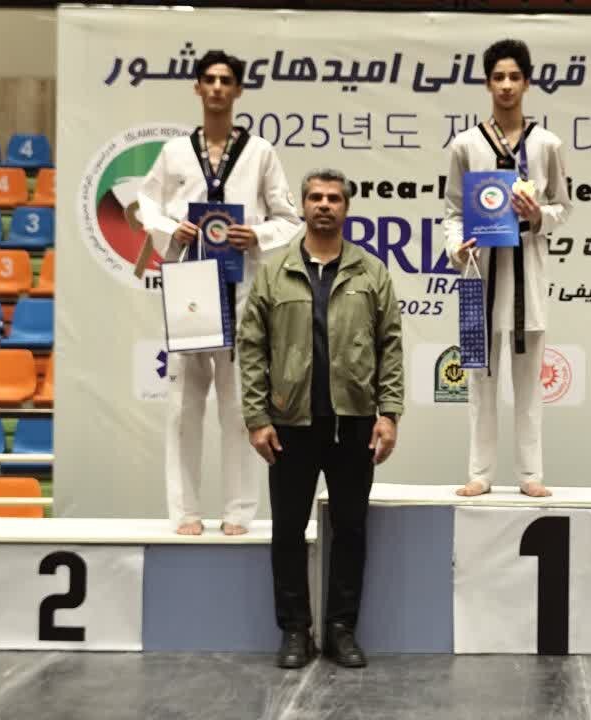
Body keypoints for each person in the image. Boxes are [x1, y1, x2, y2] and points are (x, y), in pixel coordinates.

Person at [239, 168, 404, 669]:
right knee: (288, 531)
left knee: (351, 530)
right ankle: (294, 631)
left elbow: (390, 346)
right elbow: (252, 347)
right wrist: (257, 417)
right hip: (290, 424)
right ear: (303, 206)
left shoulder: (371, 272)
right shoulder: (275, 272)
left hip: (354, 423)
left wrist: (389, 414)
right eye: (315, 197)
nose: (324, 205)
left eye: (334, 198)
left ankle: (340, 630)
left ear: (346, 208)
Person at [137, 49, 300, 536]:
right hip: (189, 288)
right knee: (183, 409)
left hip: (241, 290)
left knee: (240, 408)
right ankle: (184, 512)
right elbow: (146, 204)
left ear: (238, 90)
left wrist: (257, 235)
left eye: (226, 80)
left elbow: (288, 217)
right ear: (197, 88)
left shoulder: (260, 152)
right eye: (208, 79)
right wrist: (171, 229)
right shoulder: (174, 152)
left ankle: (238, 511)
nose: (216, 87)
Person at [444, 38, 572, 498]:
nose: (506, 85)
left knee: (528, 387)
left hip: (527, 279)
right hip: (480, 276)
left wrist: (537, 215)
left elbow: (563, 207)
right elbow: (453, 212)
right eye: (498, 77)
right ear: (487, 84)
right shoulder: (465, 145)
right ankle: (480, 472)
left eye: (514, 77)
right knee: (480, 382)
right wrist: (458, 247)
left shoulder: (547, 144)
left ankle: (529, 474)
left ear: (527, 83)